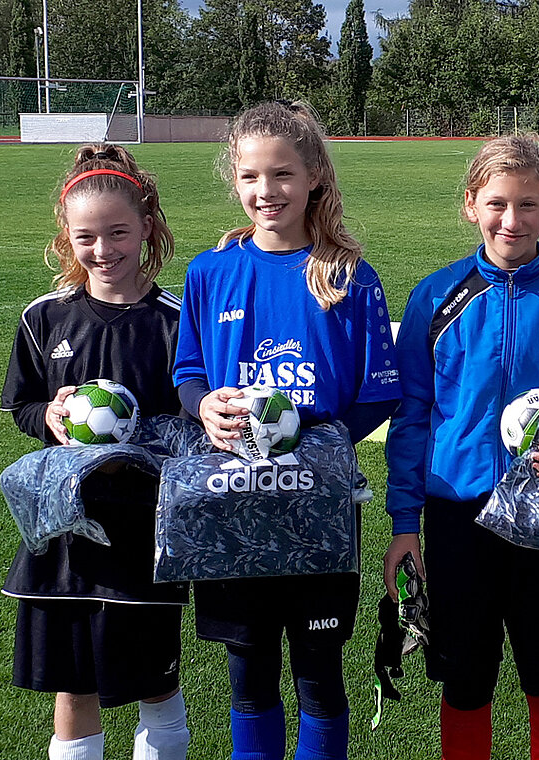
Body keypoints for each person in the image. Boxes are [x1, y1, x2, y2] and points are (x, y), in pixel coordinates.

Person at [172, 100, 401, 760]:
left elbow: (378, 393)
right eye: (249, 176)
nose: (265, 191)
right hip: (234, 501)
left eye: (281, 175)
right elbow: (189, 372)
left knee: (319, 675)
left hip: (317, 507)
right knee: (248, 677)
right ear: (234, 180)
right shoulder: (209, 273)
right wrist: (204, 407)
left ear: (313, 178)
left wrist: (312, 440)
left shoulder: (348, 278)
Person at [383, 134, 539, 760]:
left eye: (529, 204)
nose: (512, 220)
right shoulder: (436, 297)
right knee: (464, 679)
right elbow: (412, 417)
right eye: (497, 204)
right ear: (470, 206)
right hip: (460, 514)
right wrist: (406, 523)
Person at [0, 144, 190, 760]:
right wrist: (51, 416)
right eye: (86, 237)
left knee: (155, 679)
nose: (103, 250)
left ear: (147, 229)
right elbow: (23, 405)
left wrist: (140, 438)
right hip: (63, 536)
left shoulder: (175, 321)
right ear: (66, 239)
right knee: (72, 679)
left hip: (143, 527)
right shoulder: (43, 318)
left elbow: (189, 417)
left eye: (118, 233)